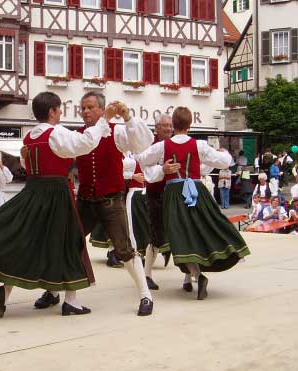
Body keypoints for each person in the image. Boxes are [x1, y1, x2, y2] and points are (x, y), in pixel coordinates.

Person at [0, 92, 111, 317]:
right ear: (52, 112)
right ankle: (71, 301)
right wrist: (104, 120)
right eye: (59, 110)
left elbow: (27, 165)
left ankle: (7, 291)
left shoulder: (29, 137)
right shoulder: (56, 133)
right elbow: (85, 143)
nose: (60, 114)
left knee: (26, 242)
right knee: (70, 243)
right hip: (56, 193)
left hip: (32, 192)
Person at [34, 92, 155, 316]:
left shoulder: (116, 131)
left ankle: (145, 295)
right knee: (68, 244)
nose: (86, 111)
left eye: (90, 107)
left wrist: (128, 116)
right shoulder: (78, 135)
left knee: (124, 249)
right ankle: (59, 294)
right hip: (86, 200)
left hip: (111, 200)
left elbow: (143, 144)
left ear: (101, 110)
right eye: (83, 108)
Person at [138, 106, 250, 300]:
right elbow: (224, 161)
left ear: (173, 124)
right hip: (197, 192)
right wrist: (225, 154)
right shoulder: (199, 145)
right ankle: (193, 276)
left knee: (180, 236)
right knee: (201, 230)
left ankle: (194, 276)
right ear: (190, 125)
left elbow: (142, 159)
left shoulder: (163, 146)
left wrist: (161, 170)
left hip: (174, 193)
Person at [143, 114, 174, 291]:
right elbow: (147, 169)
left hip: (173, 195)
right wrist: (162, 170)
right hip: (156, 194)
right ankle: (146, 275)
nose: (169, 129)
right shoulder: (152, 146)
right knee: (156, 235)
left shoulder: (175, 143)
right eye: (165, 126)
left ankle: (190, 274)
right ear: (157, 128)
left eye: (170, 125)